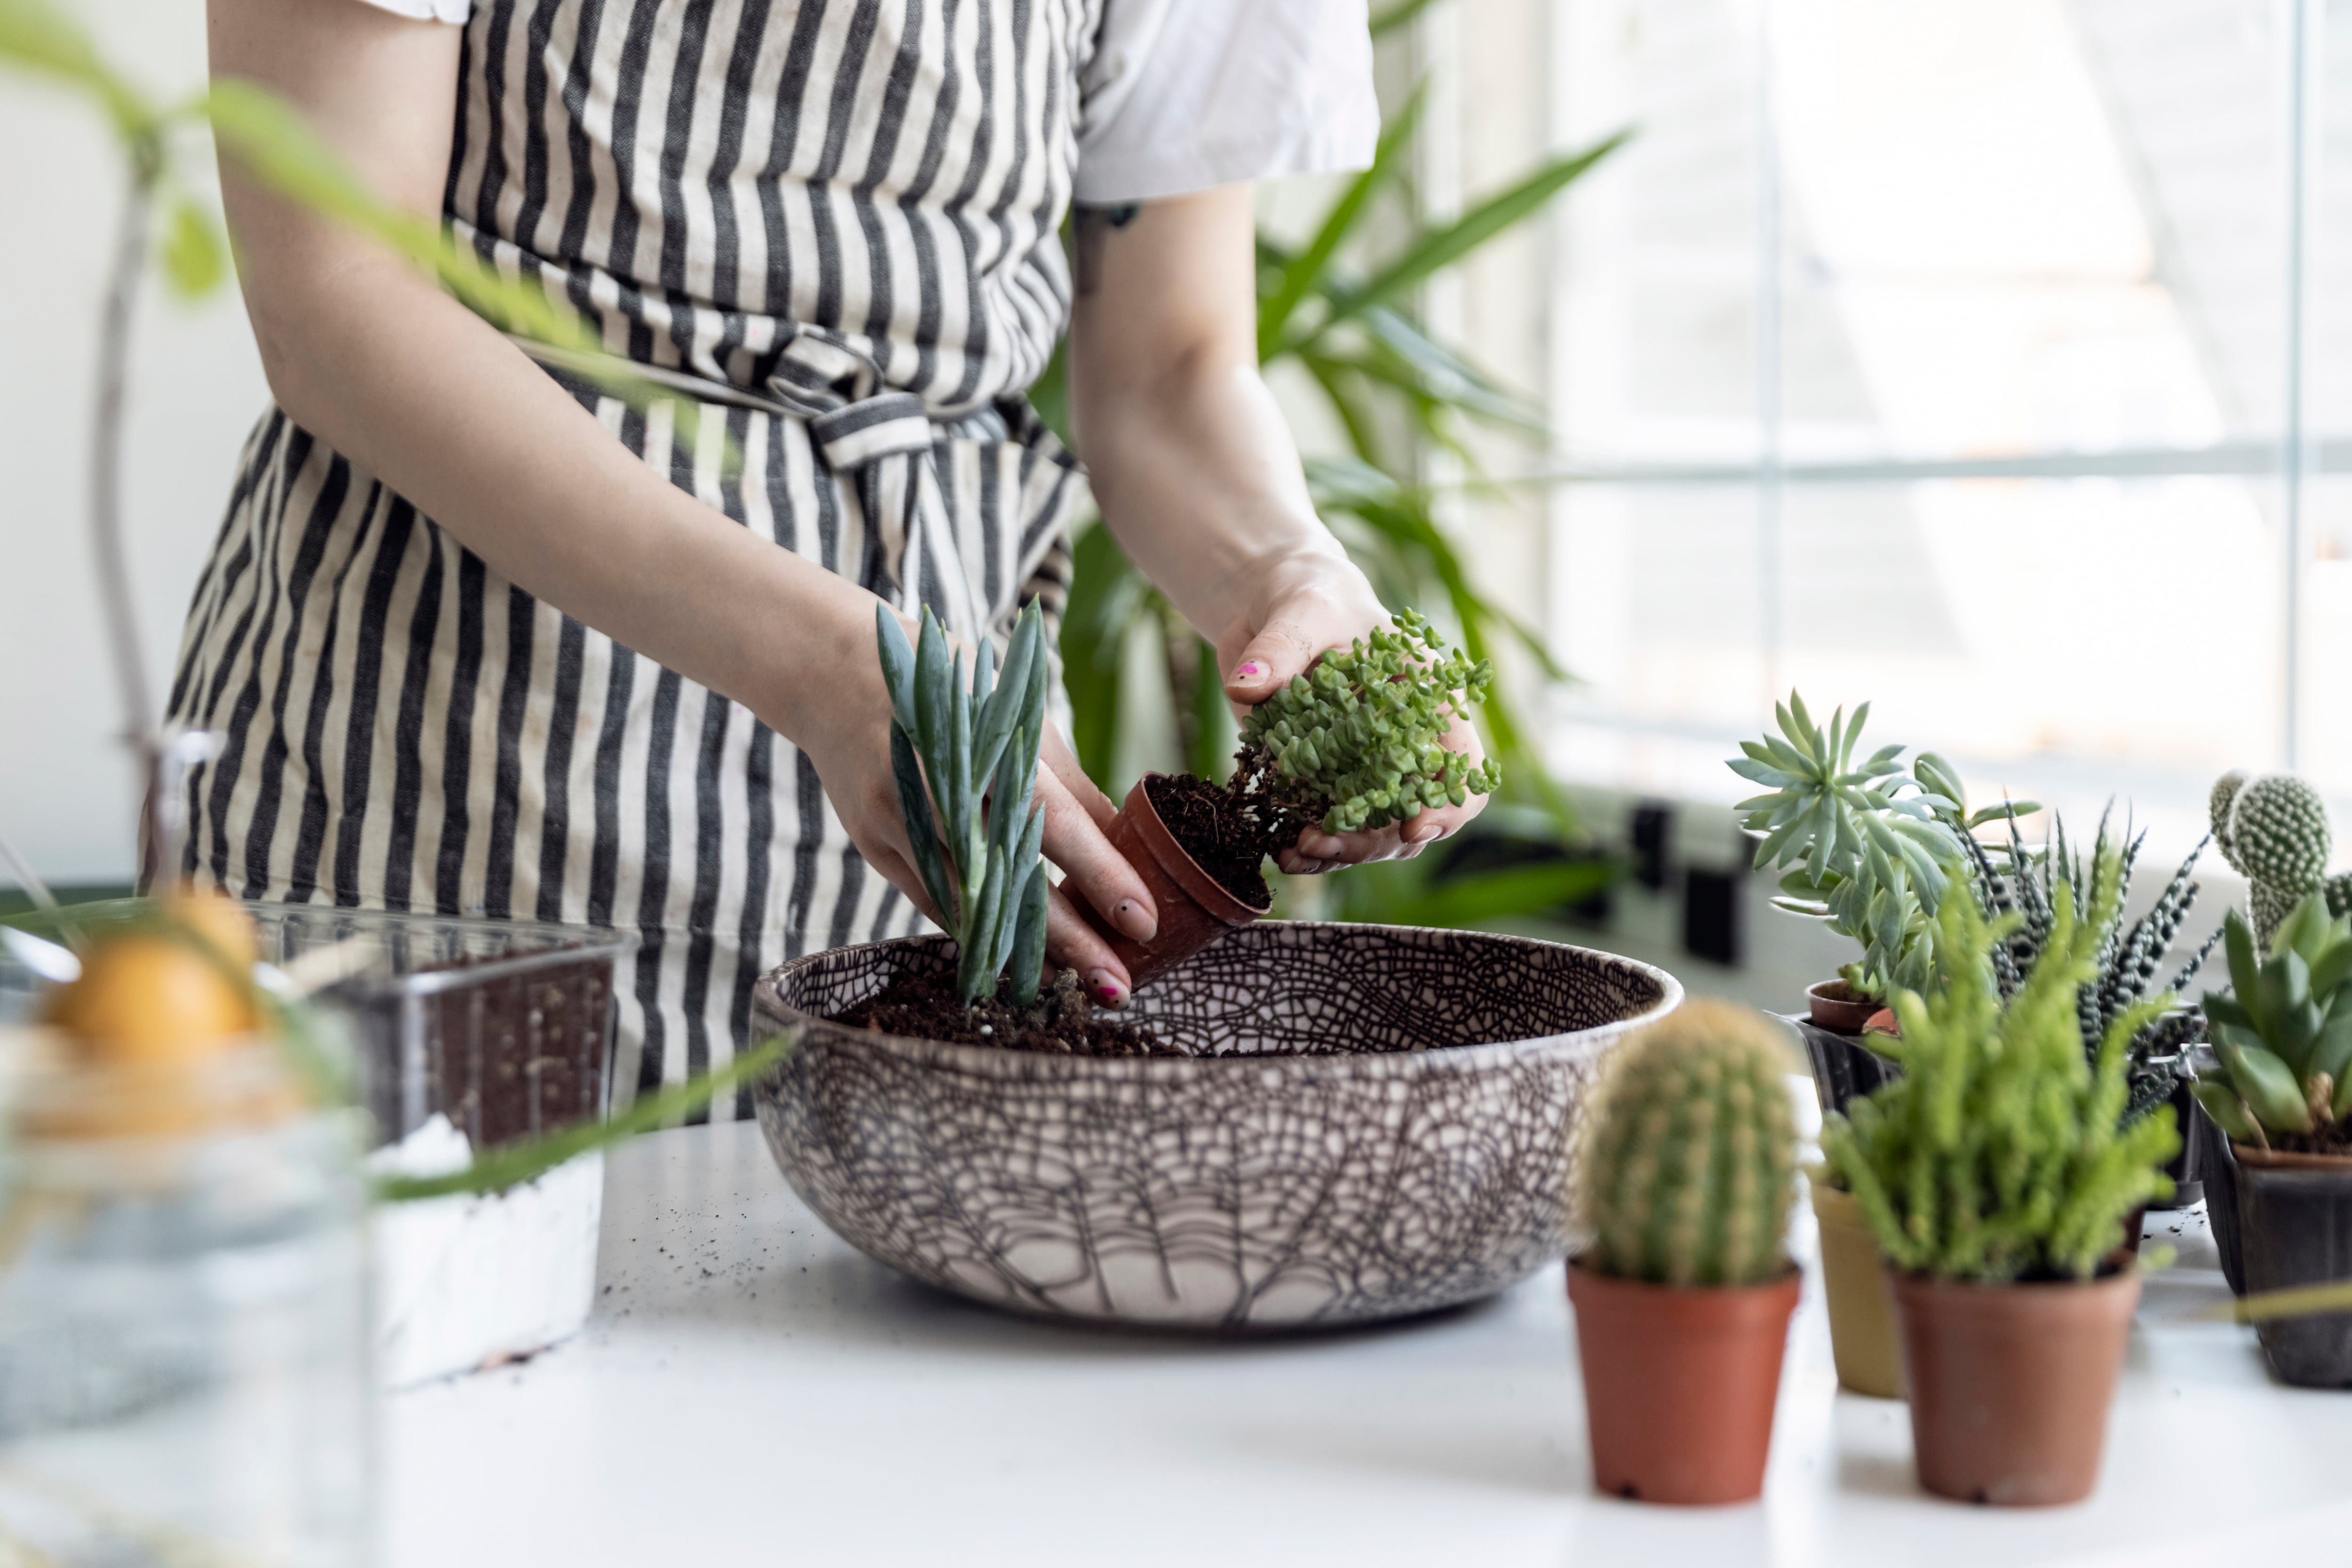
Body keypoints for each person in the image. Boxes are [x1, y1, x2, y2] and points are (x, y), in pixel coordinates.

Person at [176, 0, 1488, 1110]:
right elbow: (334, 294)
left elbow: (1168, 369)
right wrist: (831, 666)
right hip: (460, 754)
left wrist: (1283, 575)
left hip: (952, 778)